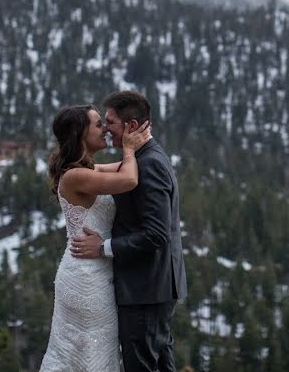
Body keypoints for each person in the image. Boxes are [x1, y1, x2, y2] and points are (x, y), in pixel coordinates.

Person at [71, 90, 187, 372]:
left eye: (110, 122)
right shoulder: (143, 157)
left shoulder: (149, 165)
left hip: (145, 289)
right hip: (151, 288)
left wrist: (103, 248)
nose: (106, 128)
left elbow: (156, 234)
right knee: (159, 364)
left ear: (131, 126)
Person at [39, 104, 151, 372]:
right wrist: (128, 148)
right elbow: (128, 179)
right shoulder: (76, 176)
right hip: (86, 278)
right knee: (94, 351)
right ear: (80, 133)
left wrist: (139, 146)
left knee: (91, 351)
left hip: (93, 268)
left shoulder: (86, 170)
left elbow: (124, 167)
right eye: (98, 124)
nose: (104, 129)